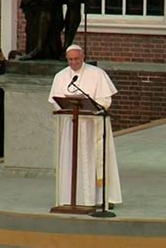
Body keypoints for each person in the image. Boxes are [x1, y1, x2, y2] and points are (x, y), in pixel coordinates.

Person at [48, 44, 122, 207]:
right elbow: (56, 101)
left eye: (76, 59)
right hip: (71, 126)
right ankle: (71, 198)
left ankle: (100, 199)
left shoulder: (97, 74)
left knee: (95, 161)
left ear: (83, 57)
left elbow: (106, 100)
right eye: (70, 60)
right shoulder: (61, 76)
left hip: (92, 126)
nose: (73, 62)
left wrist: (90, 107)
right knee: (72, 161)